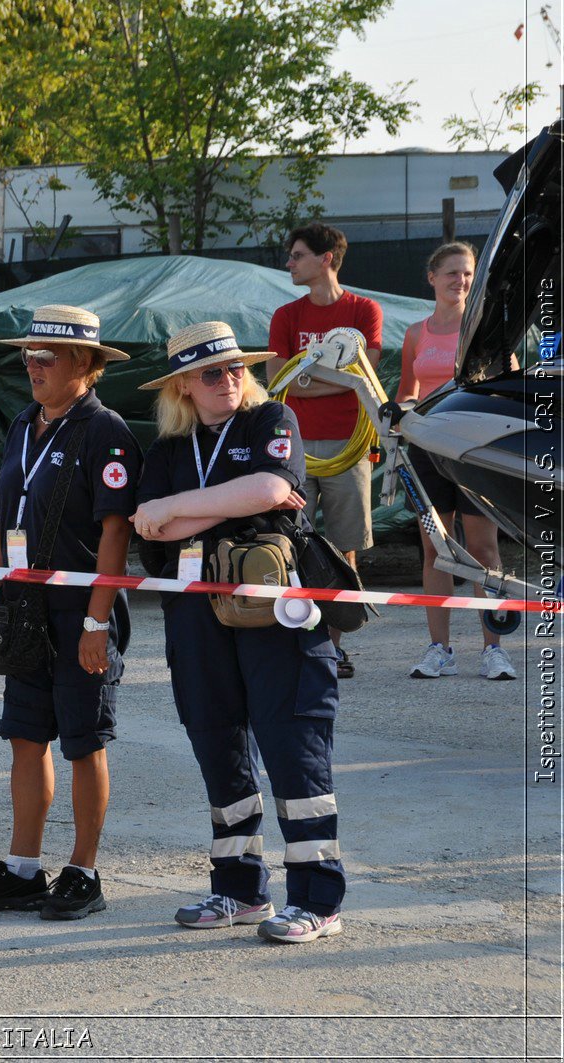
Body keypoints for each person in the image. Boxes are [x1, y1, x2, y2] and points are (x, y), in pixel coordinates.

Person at [133, 321, 346, 944]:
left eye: (233, 369)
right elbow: (150, 533)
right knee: (217, 745)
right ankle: (239, 889)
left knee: (291, 747)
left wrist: (178, 507)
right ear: (182, 387)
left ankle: (317, 898)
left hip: (271, 609)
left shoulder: (269, 418)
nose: (226, 380)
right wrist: (218, 507)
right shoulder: (169, 449)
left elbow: (273, 486)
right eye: (209, 373)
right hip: (198, 616)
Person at [0, 306, 139, 920]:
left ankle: (83, 872)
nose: (32, 366)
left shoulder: (104, 430)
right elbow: (7, 519)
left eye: (46, 356)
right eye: (27, 356)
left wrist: (95, 622)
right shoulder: (22, 425)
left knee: (84, 743)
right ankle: (24, 868)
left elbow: (115, 533)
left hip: (80, 608)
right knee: (25, 739)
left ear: (84, 364)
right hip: (26, 605)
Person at [265, 222, 384, 679]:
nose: (289, 263)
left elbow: (366, 376)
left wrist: (307, 382)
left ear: (325, 259)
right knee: (287, 541)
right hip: (292, 446)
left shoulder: (363, 310)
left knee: (342, 547)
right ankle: (298, 642)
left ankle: (333, 649)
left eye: (297, 255)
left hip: (348, 447)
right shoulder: (286, 316)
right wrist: (335, 383)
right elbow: (279, 381)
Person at [395, 242, 517, 681]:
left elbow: (509, 389)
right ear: (432, 278)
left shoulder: (487, 331)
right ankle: (439, 649)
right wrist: (400, 408)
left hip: (475, 451)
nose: (460, 281)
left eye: (467, 273)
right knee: (436, 549)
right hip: (427, 451)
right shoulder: (415, 333)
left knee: (484, 550)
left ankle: (493, 650)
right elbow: (407, 392)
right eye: (451, 273)